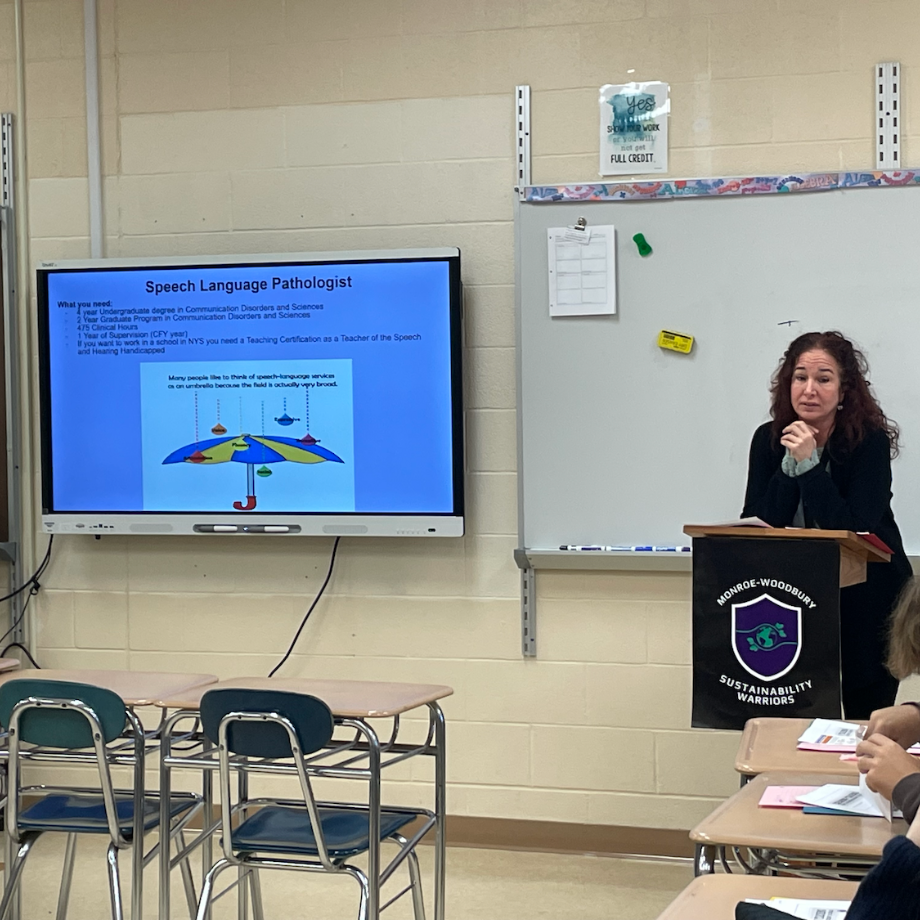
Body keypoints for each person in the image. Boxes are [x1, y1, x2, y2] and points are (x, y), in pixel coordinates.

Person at [742, 330, 911, 718]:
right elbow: (762, 522)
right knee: (791, 722)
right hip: (796, 599)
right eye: (800, 377)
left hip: (869, 600)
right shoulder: (768, 441)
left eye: (823, 378)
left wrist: (810, 466)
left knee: (860, 720)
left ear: (844, 389)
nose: (809, 389)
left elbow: (852, 527)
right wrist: (790, 464)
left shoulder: (868, 443)